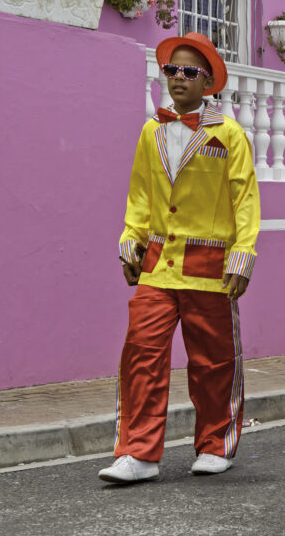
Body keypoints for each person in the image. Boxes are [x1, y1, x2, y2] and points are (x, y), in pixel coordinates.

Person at [100, 33, 260, 484]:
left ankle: (215, 443)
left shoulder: (229, 135)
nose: (178, 79)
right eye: (172, 70)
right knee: (141, 356)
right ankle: (139, 453)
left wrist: (243, 255)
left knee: (213, 361)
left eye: (190, 72)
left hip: (210, 266)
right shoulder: (150, 131)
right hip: (157, 264)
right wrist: (129, 241)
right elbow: (140, 197)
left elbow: (245, 199)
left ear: (208, 81)